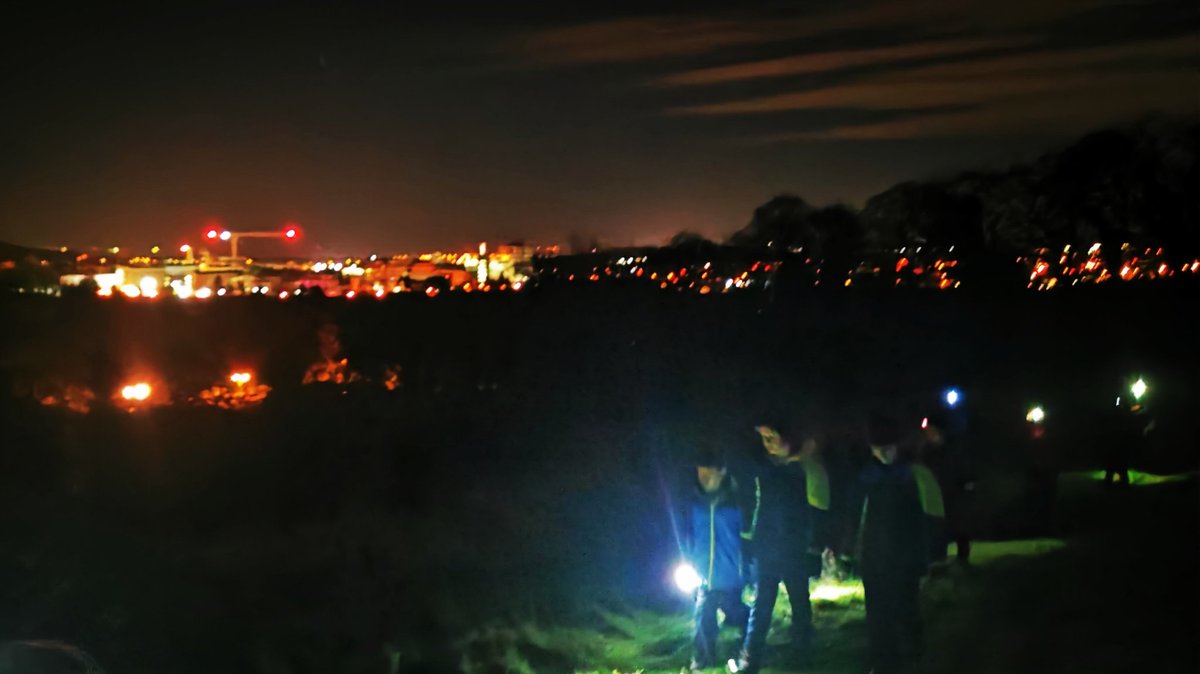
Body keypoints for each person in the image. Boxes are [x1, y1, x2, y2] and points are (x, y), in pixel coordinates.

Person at [728, 423, 816, 674]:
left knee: (800, 603)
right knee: (762, 606)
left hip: (794, 547)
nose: (768, 444)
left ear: (787, 438)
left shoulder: (801, 469)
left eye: (772, 437)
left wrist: (813, 545)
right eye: (764, 439)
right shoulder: (761, 468)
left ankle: (802, 656)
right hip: (767, 549)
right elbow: (751, 500)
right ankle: (750, 661)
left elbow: (812, 509)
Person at [855, 414, 935, 674]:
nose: (883, 453)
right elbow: (856, 517)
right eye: (878, 449)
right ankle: (883, 661)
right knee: (877, 613)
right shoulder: (866, 477)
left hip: (905, 557)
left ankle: (912, 656)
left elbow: (928, 517)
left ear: (897, 444)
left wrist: (925, 555)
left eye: (887, 447)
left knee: (906, 608)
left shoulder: (912, 474)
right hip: (874, 558)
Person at [683, 448, 750, 673]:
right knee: (703, 617)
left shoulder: (736, 500)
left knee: (737, 612)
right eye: (700, 474)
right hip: (705, 576)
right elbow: (690, 534)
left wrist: (749, 568)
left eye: (707, 474)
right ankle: (703, 659)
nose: (703, 479)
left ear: (721, 472)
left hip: (731, 574)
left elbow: (746, 536)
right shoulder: (695, 501)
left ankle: (751, 646)